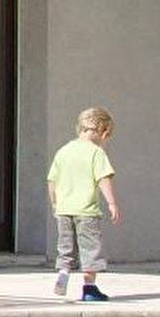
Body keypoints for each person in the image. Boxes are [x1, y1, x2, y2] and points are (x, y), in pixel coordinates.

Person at [46, 106, 122, 302]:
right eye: (107, 136)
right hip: (87, 211)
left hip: (64, 210)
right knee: (90, 250)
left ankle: (63, 273)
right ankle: (89, 288)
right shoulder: (96, 153)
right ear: (102, 131)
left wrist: (54, 204)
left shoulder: (63, 151)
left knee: (66, 247)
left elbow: (52, 181)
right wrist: (112, 203)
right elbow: (103, 178)